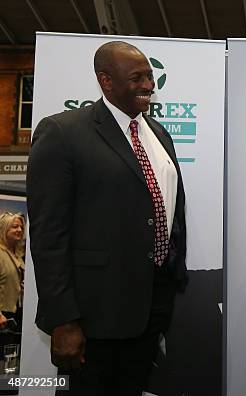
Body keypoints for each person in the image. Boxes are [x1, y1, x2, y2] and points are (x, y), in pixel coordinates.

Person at [27, 41, 187, 395]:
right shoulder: (62, 133)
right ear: (106, 81)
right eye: (137, 78)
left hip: (150, 309)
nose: (148, 85)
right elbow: (48, 235)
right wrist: (63, 320)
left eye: (149, 76)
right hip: (92, 317)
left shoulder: (158, 133)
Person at [0, 213, 25, 354]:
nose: (20, 230)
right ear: (4, 229)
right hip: (3, 316)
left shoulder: (18, 255)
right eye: (15, 227)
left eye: (21, 227)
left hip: (15, 316)